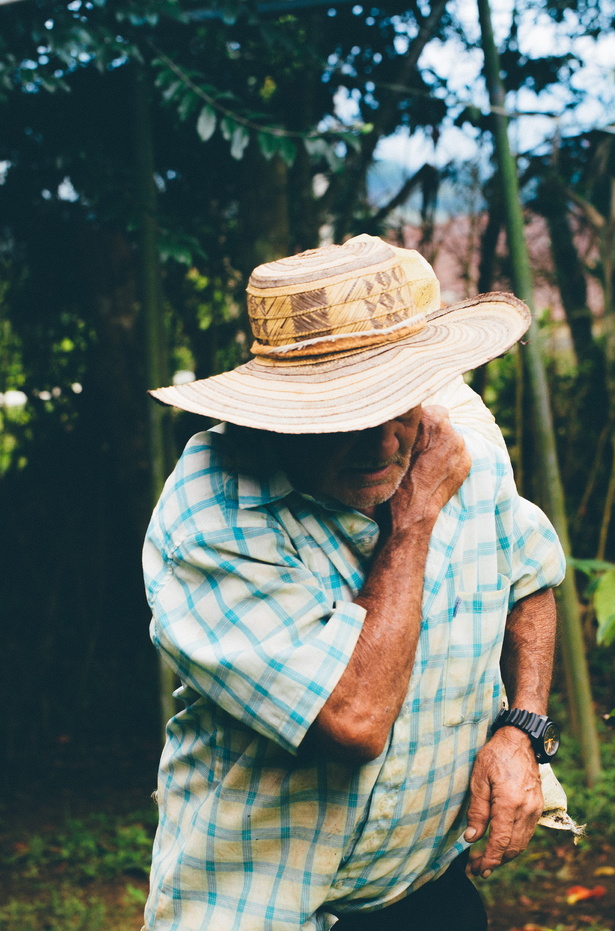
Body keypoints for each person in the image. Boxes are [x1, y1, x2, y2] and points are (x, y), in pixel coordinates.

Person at [142, 234, 567, 931]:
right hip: (257, 906)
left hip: (428, 888)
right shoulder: (211, 513)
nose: (382, 442)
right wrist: (415, 519)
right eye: (348, 416)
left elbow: (533, 576)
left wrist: (522, 728)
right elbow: (354, 717)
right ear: (280, 413)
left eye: (398, 404)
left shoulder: (459, 435)